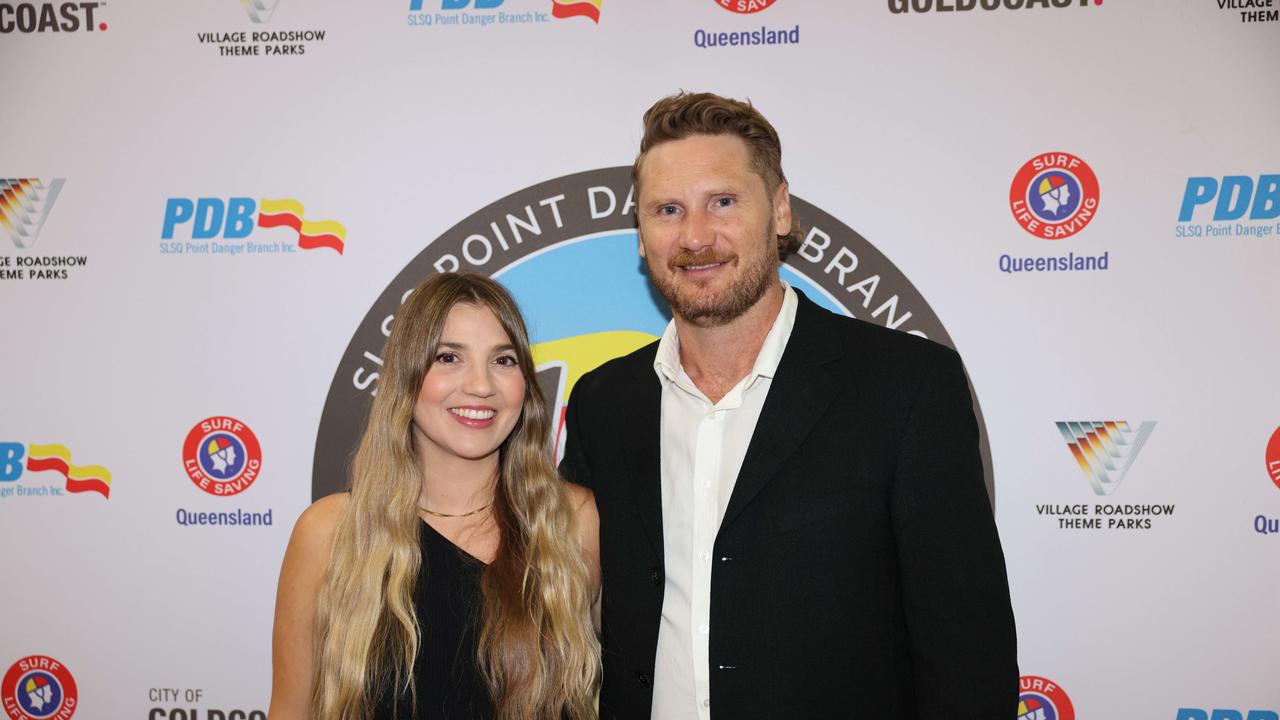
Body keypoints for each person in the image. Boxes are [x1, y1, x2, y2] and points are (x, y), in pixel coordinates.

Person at [558, 92, 1018, 719]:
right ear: (641, 235)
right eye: (667, 210)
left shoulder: (905, 387)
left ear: (778, 210)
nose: (695, 236)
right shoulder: (603, 403)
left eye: (723, 201)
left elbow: (969, 653)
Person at [269, 272, 601, 720]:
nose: (481, 385)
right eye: (449, 357)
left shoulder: (572, 521)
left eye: (503, 361)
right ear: (407, 375)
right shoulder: (330, 533)